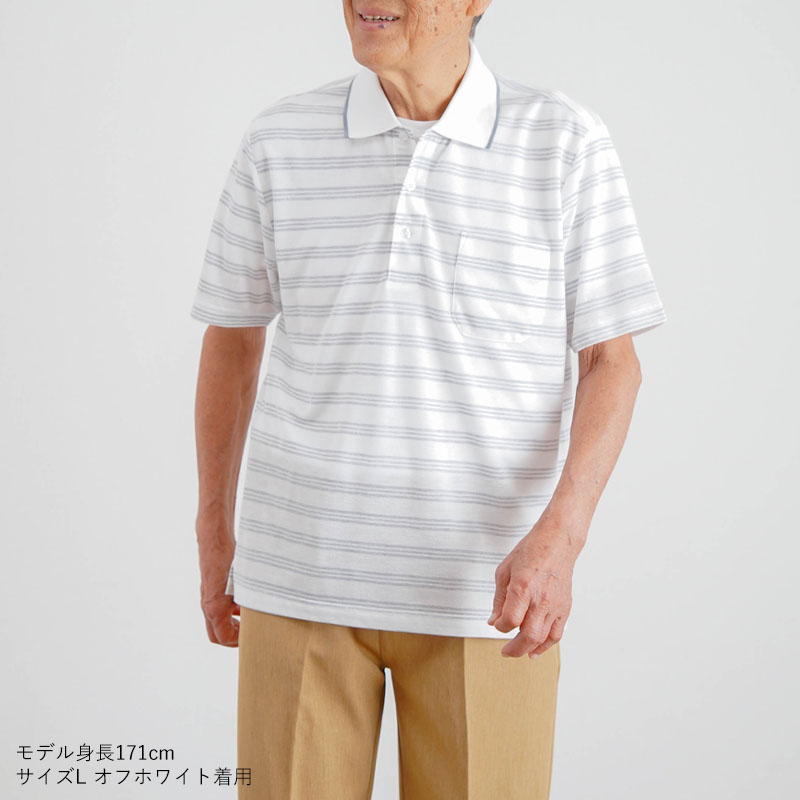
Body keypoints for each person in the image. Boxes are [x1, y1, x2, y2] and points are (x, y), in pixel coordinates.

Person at [190, 1, 667, 797]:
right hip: (298, 579)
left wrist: (562, 539)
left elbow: (611, 364)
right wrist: (213, 524)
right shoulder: (279, 139)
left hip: (487, 595)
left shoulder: (562, 141)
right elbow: (233, 341)